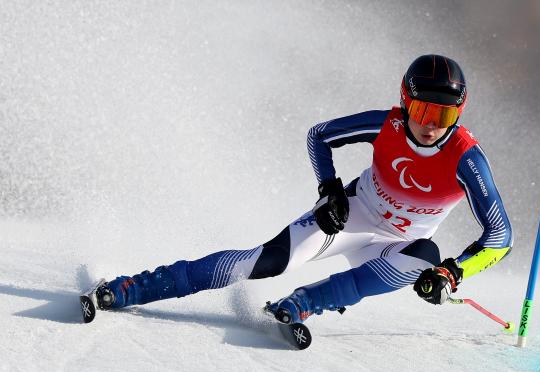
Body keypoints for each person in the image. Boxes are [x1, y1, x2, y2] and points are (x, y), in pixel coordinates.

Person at [84, 54, 513, 326]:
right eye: (422, 109)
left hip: (400, 244)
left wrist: (452, 274)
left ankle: (306, 302)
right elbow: (319, 136)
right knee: (263, 262)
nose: (432, 123)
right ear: (405, 102)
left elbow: (501, 236)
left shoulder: (466, 159)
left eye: (445, 112)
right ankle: (132, 288)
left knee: (426, 258)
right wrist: (329, 192)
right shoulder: (388, 125)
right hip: (352, 215)